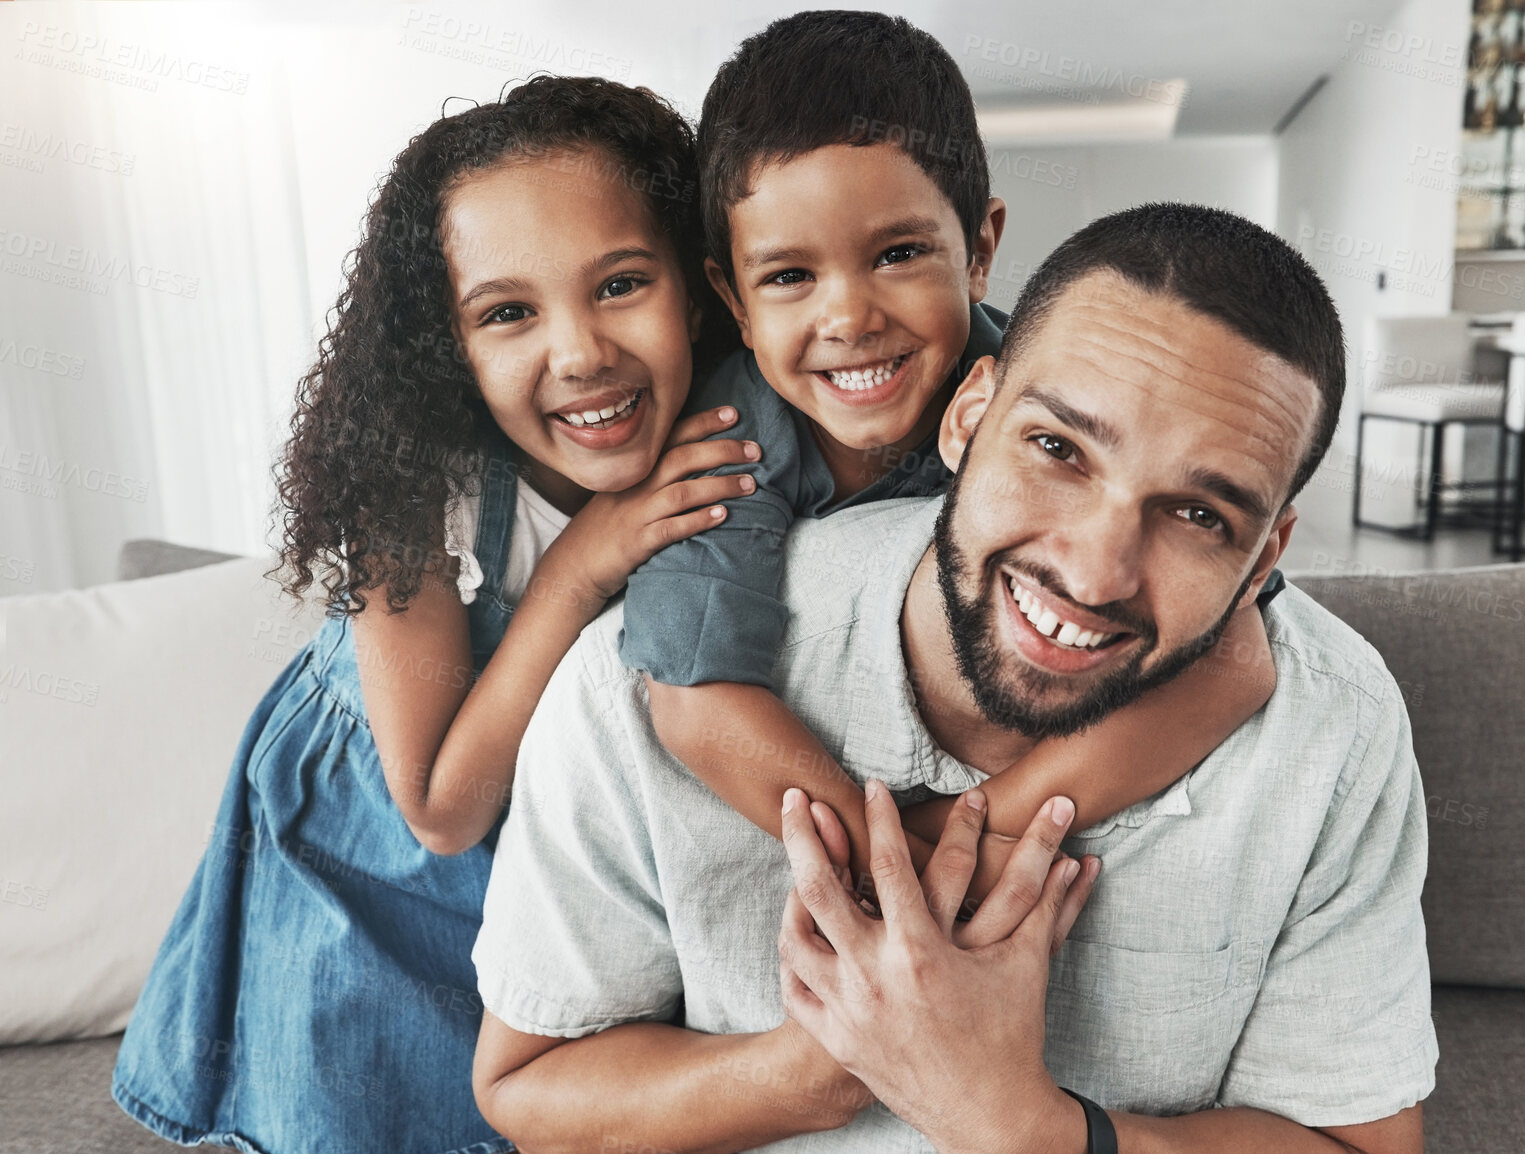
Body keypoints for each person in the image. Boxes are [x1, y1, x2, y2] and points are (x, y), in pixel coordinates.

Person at [470, 203, 1436, 1153]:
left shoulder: (1332, 728)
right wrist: (831, 1065)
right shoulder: (630, 681)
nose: (1095, 573)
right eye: (1057, 450)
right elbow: (527, 1086)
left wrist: (1023, 1129)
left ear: (1265, 559)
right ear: (969, 418)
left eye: (1198, 517)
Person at [111, 76, 753, 1154]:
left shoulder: (732, 438)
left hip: (553, 873)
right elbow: (441, 810)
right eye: (509, 312)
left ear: (695, 287)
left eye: (620, 284)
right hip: (368, 870)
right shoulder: (413, 493)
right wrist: (580, 566)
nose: (581, 351)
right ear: (448, 347)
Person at [618, 9, 1284, 893]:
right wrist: (900, 872)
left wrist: (965, 836)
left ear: (977, 253)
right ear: (733, 301)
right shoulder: (723, 445)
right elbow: (698, 706)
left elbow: (1238, 661)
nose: (849, 318)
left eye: (897, 253)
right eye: (788, 276)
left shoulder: (1051, 402)